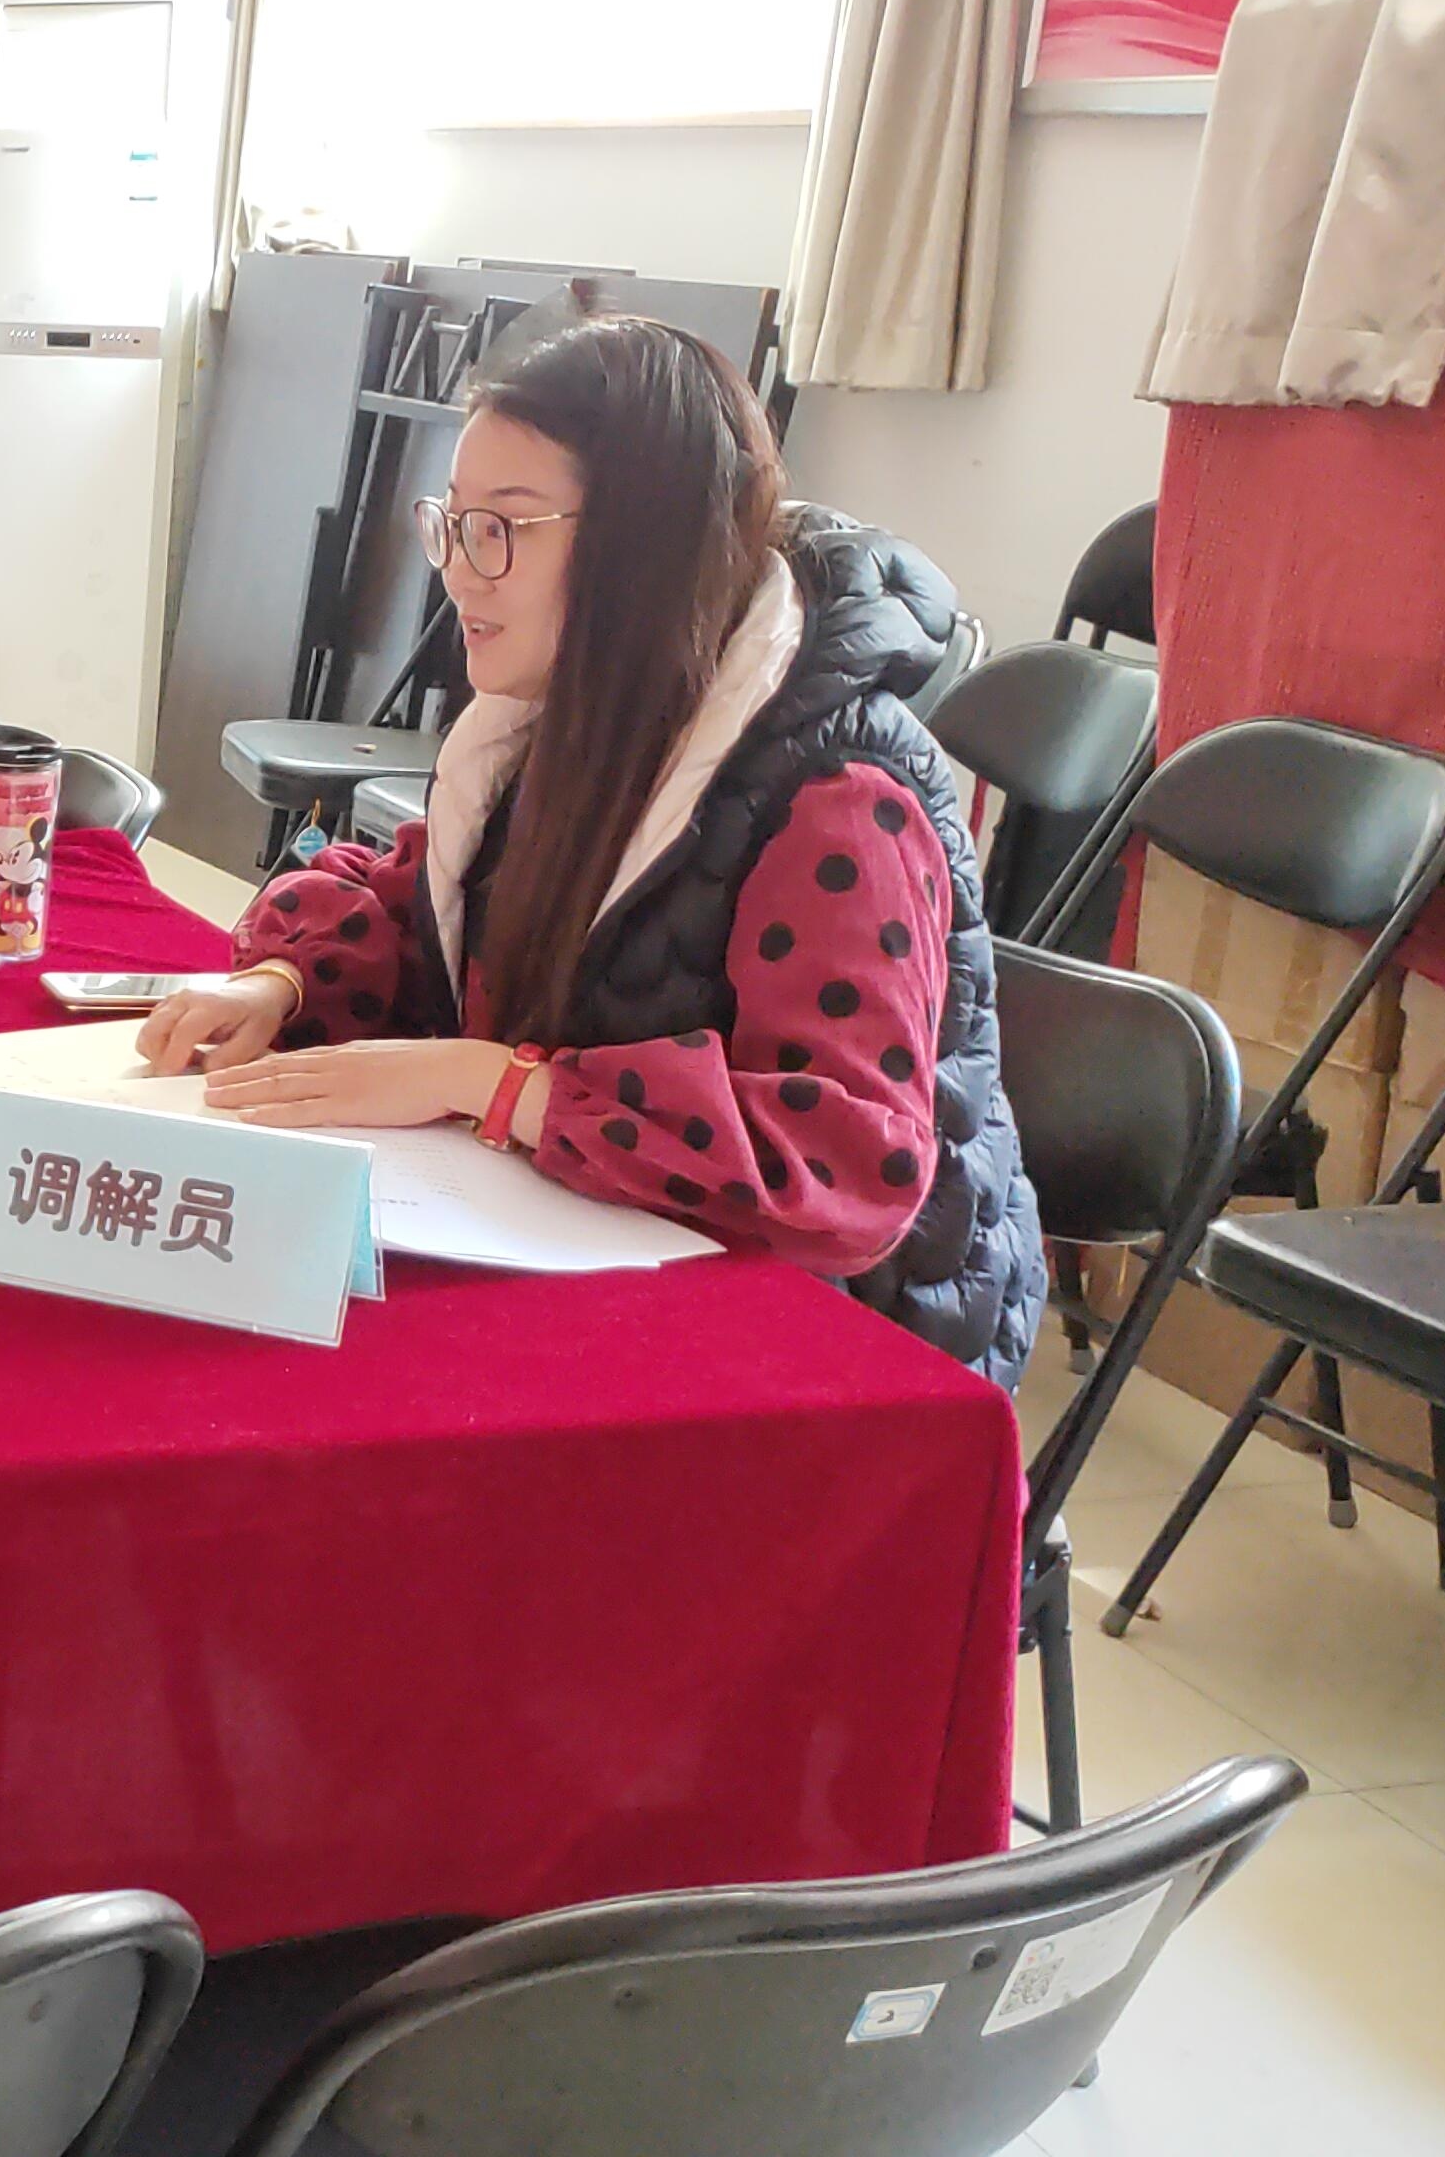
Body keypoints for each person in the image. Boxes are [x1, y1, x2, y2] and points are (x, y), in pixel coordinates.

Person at [140, 313, 1043, 1384]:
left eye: (503, 528)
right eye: (454, 522)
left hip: (838, 1362)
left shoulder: (838, 794)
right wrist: (280, 983)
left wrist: (494, 1083)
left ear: (644, 547)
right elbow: (415, 901)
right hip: (603, 1264)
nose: (459, 573)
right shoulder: (570, 717)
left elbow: (845, 1159)